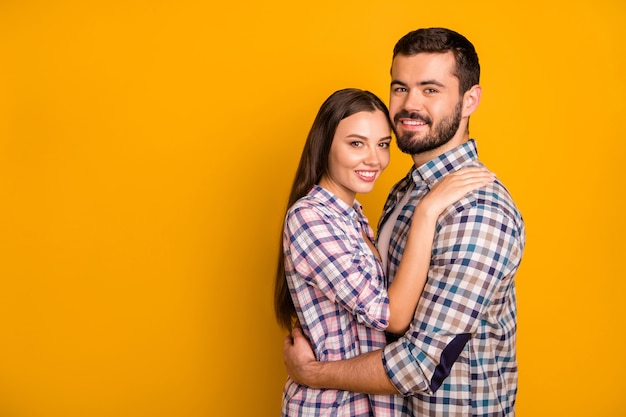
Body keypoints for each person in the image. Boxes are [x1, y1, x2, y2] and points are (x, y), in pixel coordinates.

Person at [283, 28, 526, 417]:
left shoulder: (477, 211)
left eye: (430, 89)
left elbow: (419, 365)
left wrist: (314, 372)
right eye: (400, 88)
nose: (410, 104)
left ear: (470, 100)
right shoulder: (404, 191)